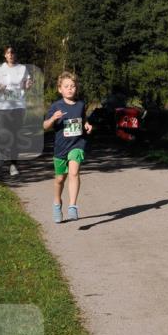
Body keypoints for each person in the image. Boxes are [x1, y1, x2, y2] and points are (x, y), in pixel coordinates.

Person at [43, 71, 93, 223]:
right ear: (60, 89)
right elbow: (45, 126)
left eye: (73, 86)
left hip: (77, 144)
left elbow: (82, 118)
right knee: (59, 179)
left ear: (76, 88)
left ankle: (72, 206)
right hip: (61, 148)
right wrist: (53, 118)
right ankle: (57, 203)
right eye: (66, 86)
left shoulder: (81, 104)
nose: (70, 89)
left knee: (74, 172)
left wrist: (87, 124)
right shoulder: (56, 106)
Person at [0, 45, 33, 176]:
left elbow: (27, 83)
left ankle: (13, 165)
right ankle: (1, 152)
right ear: (5, 55)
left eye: (13, 52)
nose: (11, 54)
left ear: (15, 54)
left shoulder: (22, 68)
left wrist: (28, 85)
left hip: (18, 106)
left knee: (15, 135)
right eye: (8, 52)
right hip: (3, 107)